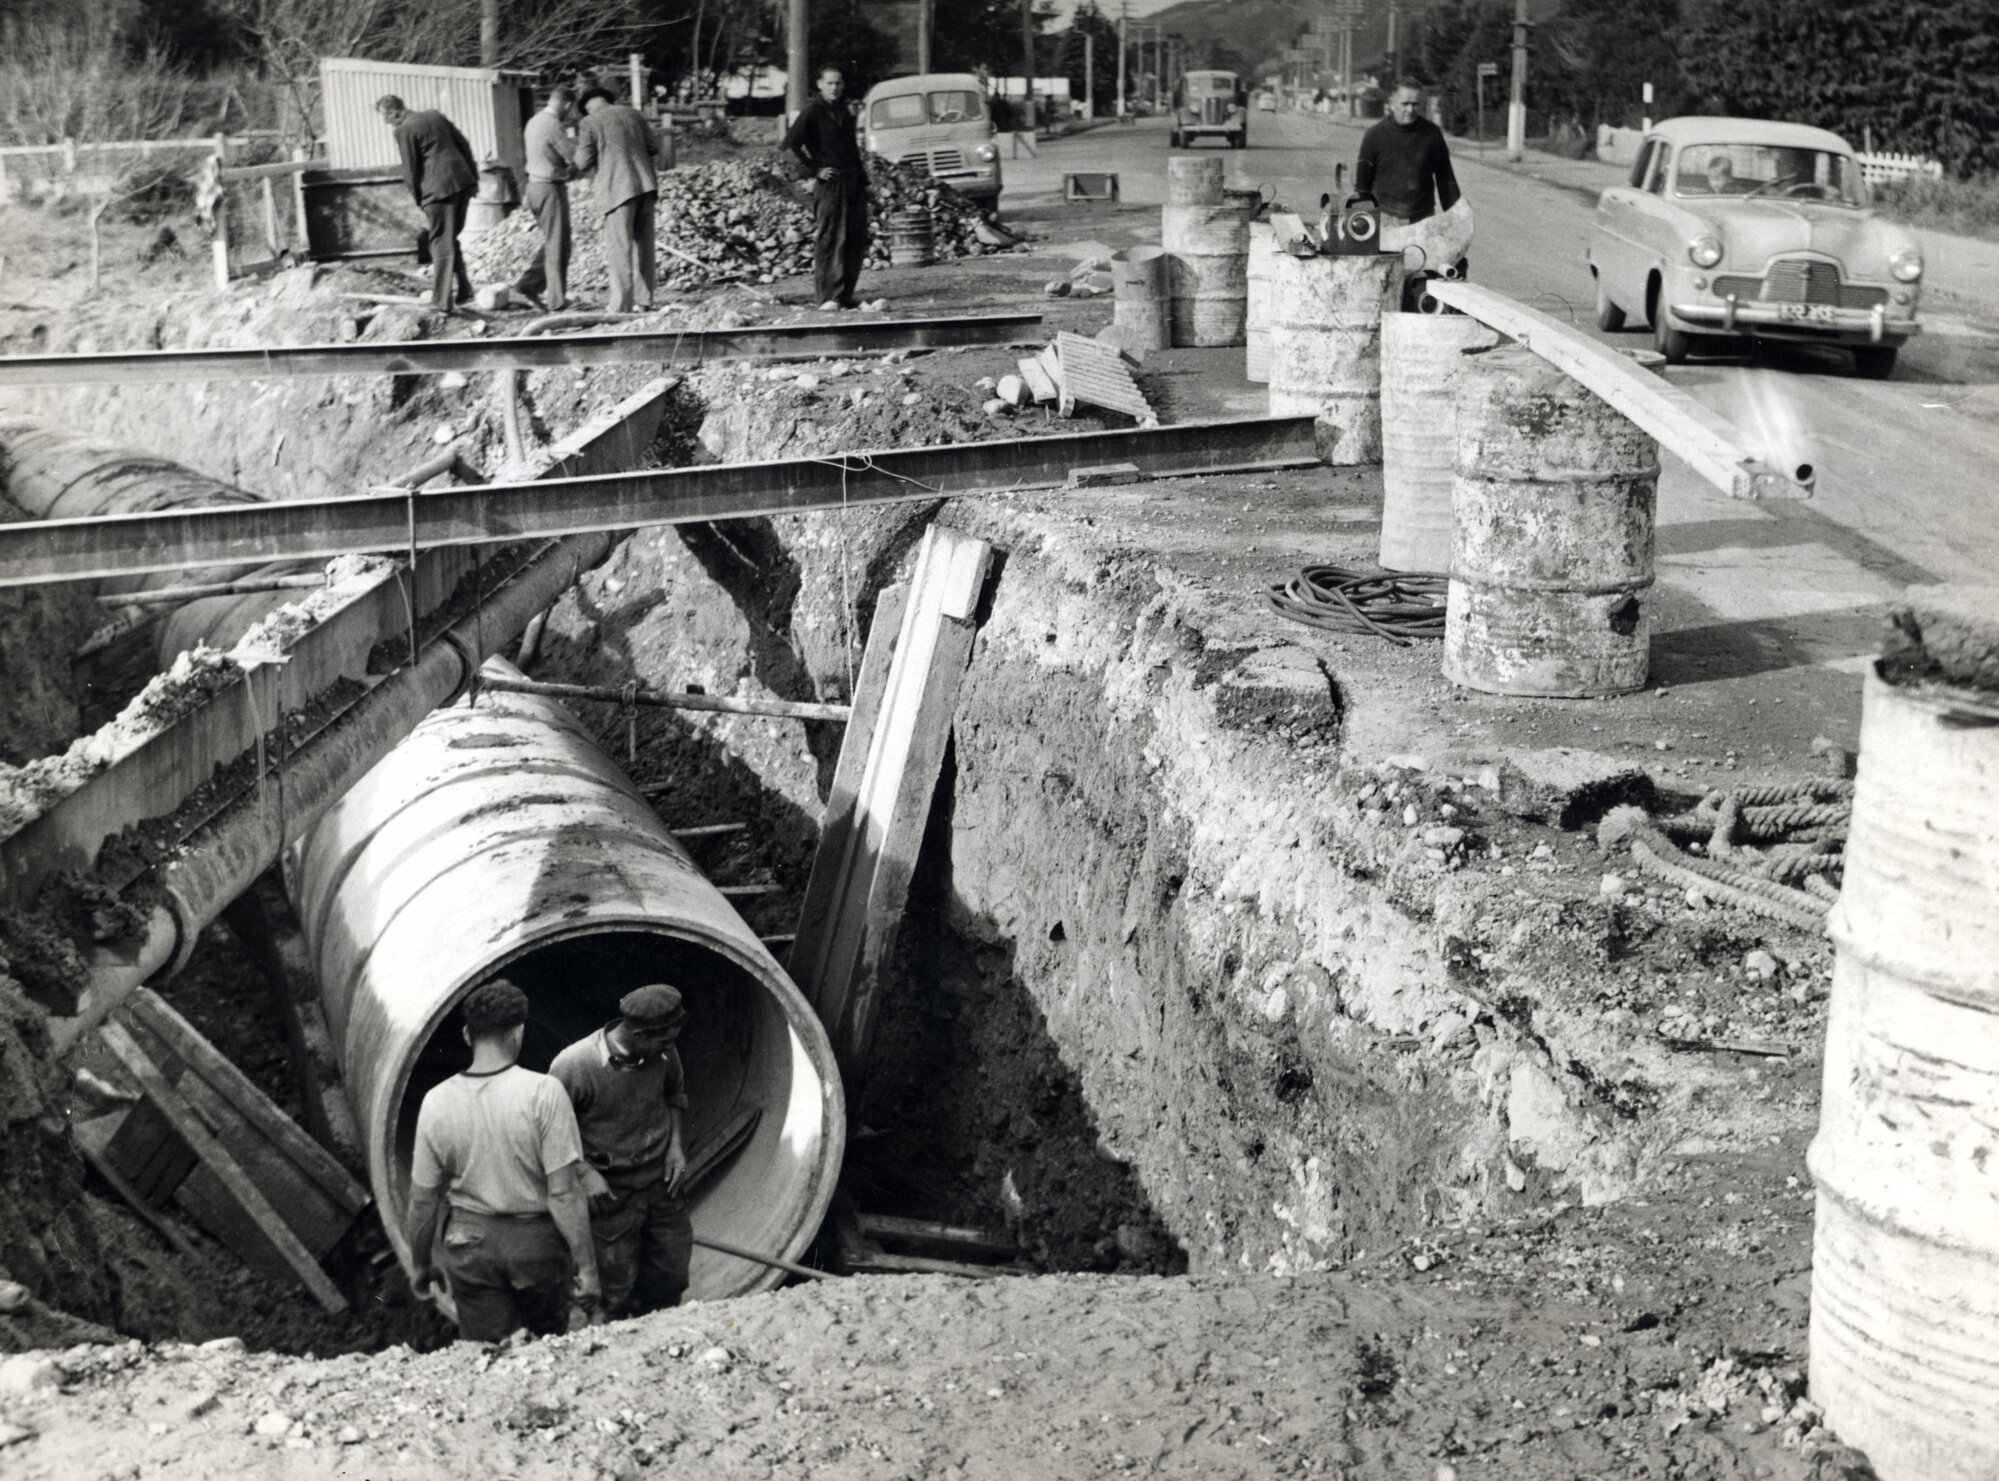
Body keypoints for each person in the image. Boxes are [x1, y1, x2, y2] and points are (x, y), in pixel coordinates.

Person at [404, 978, 601, 1342]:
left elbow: (422, 1199)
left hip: (468, 1244)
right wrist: (587, 1268)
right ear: (518, 1033)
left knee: (489, 1354)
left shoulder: (435, 1101)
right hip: (535, 1246)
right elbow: (563, 1194)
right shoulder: (543, 1093)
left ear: (467, 1035)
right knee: (546, 1348)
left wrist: (419, 1264)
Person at [551, 984, 695, 1319]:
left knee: (671, 1271)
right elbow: (548, 1132)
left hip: (661, 1182)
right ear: (640, 1033)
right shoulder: (576, 1066)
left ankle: (658, 1333)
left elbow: (675, 1094)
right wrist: (584, 1173)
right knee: (614, 1286)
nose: (671, 1048)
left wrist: (675, 1147)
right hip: (611, 1194)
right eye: (665, 1040)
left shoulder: (663, 1052)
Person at [378, 95, 479, 313]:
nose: (386, 122)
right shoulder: (435, 116)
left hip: (438, 191)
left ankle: (442, 300)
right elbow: (463, 144)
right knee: (448, 236)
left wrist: (419, 200)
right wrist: (473, 178)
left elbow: (410, 170)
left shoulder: (403, 130)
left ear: (394, 111)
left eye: (385, 117)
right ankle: (464, 289)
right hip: (462, 183)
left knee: (439, 240)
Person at [783, 67, 870, 311]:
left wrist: (864, 183)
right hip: (830, 184)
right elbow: (791, 146)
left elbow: (853, 150)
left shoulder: (845, 111)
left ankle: (844, 295)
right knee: (831, 238)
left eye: (839, 83)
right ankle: (828, 297)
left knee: (855, 238)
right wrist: (815, 170)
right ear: (820, 84)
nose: (835, 88)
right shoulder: (812, 112)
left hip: (852, 181)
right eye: (830, 83)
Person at [573, 85, 661, 313]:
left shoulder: (589, 122)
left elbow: (583, 162)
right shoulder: (634, 114)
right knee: (645, 247)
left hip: (617, 191)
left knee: (620, 248)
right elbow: (654, 147)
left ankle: (621, 305)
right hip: (646, 186)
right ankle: (645, 300)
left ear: (588, 107)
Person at [1353, 82, 1461, 229]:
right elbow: (1362, 187)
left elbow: (1446, 180)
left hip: (1423, 220)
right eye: (1405, 104)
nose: (1410, 110)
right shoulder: (1374, 136)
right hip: (1384, 220)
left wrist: (1456, 219)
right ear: (1392, 103)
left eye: (1415, 104)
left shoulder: (1432, 134)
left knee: (1422, 253)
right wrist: (1361, 225)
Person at [514, 87, 577, 311]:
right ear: (568, 105)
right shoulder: (554, 126)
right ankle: (556, 301)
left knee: (554, 241)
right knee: (558, 244)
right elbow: (574, 156)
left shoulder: (534, 121)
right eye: (570, 111)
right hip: (550, 188)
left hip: (533, 187)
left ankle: (528, 284)